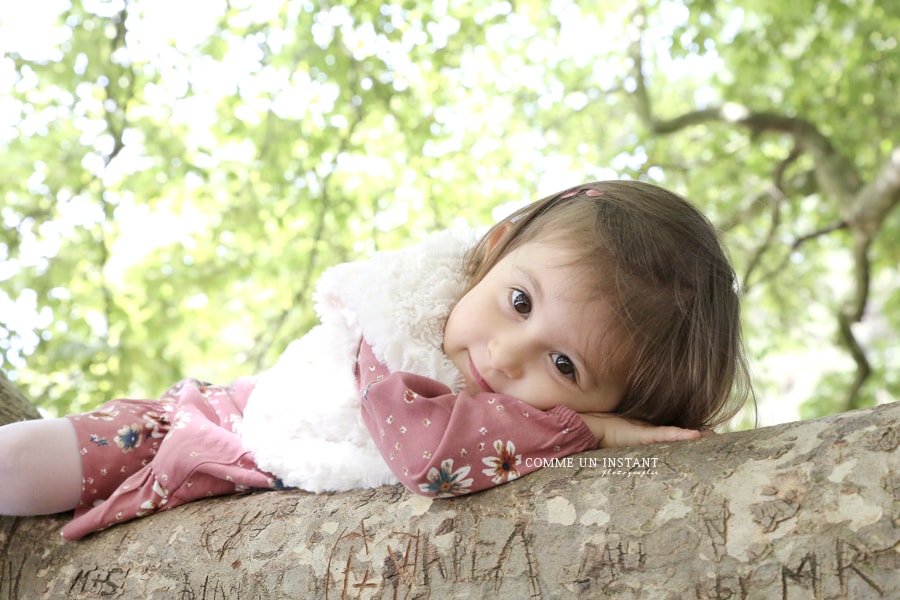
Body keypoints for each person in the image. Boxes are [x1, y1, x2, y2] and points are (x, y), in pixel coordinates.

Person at [0, 180, 752, 539]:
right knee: (24, 462)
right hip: (192, 424)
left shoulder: (512, 433)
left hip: (244, 487)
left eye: (566, 368)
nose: (506, 352)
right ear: (495, 251)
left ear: (611, 399)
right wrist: (589, 434)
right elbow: (427, 452)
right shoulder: (401, 321)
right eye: (520, 303)